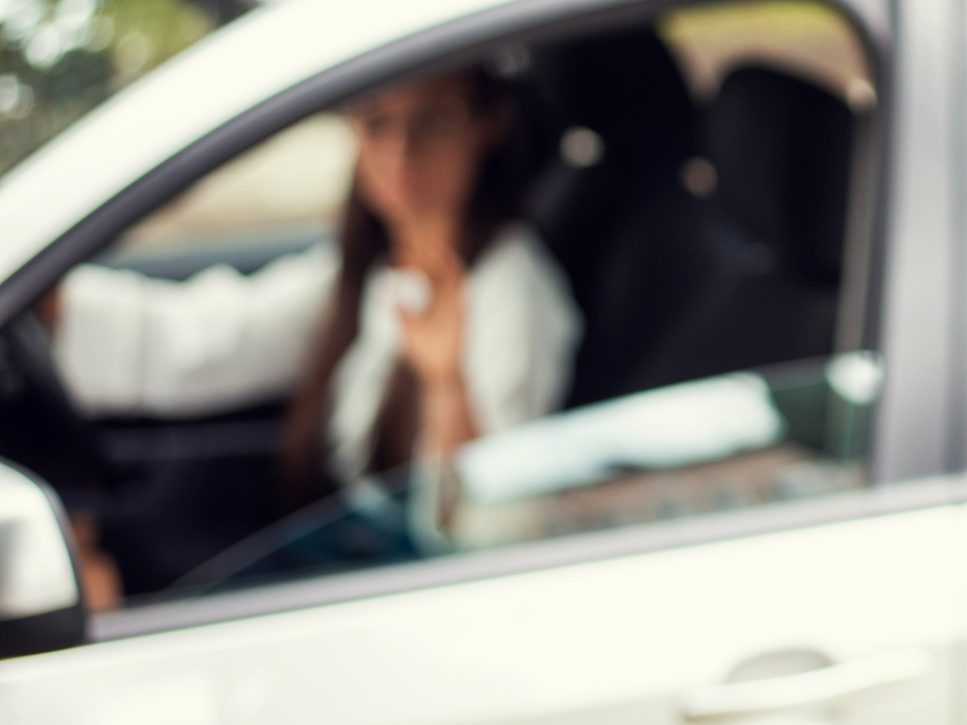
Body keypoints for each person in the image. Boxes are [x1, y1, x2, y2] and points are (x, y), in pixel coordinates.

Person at [42, 64, 581, 593]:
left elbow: (483, 539)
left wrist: (446, 384)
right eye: (377, 122)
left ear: (488, 126)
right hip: (341, 553)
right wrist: (43, 292)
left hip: (403, 584)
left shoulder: (511, 292)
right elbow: (211, 341)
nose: (401, 152)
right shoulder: (370, 269)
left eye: (433, 121)